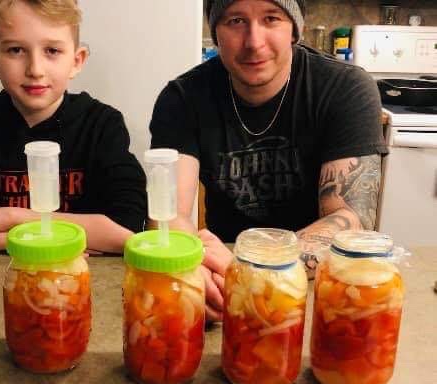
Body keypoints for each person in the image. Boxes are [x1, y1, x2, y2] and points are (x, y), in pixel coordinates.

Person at [149, 0, 387, 321]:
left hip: (321, 289)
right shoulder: (183, 99)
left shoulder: (344, 88)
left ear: (294, 29)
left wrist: (252, 270)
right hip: (223, 285)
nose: (254, 42)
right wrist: (190, 265)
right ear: (216, 32)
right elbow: (168, 215)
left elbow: (350, 220)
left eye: (271, 19)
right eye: (235, 21)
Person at [0, 0, 146, 254]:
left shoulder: (102, 125)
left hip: (83, 280)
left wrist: (8, 218)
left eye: (52, 51)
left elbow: (128, 231)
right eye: (16, 50)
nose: (35, 70)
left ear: (76, 60)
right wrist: (60, 240)